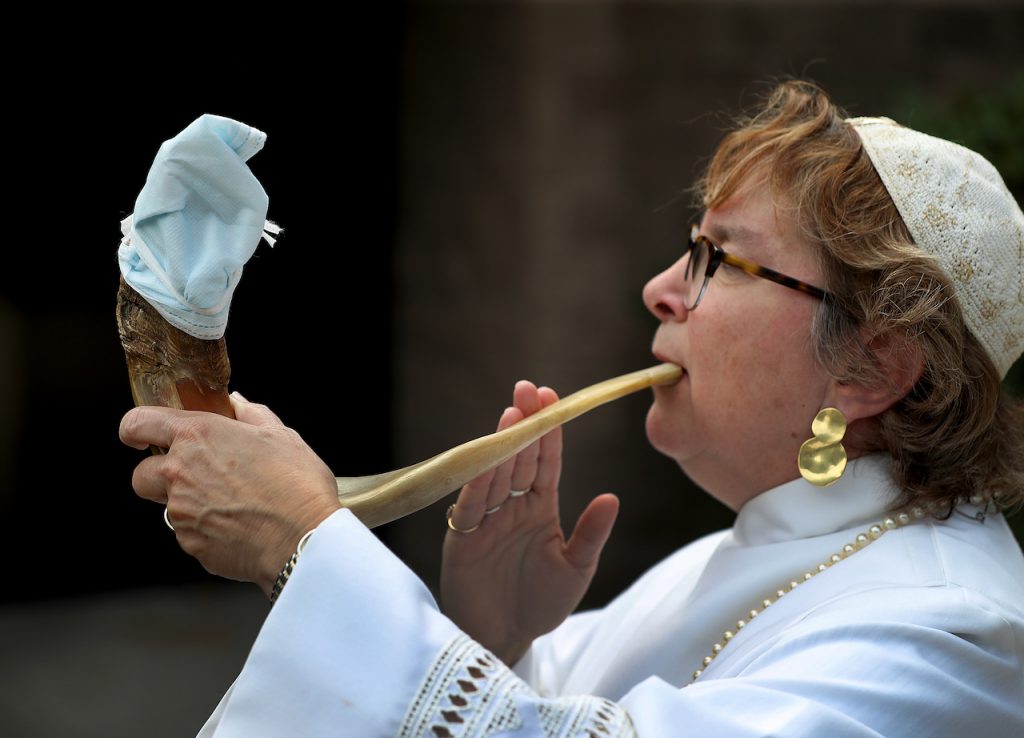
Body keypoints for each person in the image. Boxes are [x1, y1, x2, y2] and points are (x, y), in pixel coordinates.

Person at [120, 80, 1024, 737]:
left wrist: (306, 544)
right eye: (687, 246)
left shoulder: (954, 629)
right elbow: (526, 714)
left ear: (868, 367)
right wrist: (493, 632)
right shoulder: (729, 557)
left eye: (719, 260)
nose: (661, 288)